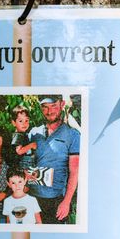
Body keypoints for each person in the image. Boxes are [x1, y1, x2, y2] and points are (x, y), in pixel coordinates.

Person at [27, 95, 80, 224]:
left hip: (56, 201)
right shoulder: (33, 133)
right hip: (31, 198)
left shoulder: (73, 135)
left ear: (62, 104)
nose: (49, 112)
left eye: (53, 106)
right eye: (45, 107)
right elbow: (25, 163)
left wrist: (66, 202)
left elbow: (74, 172)